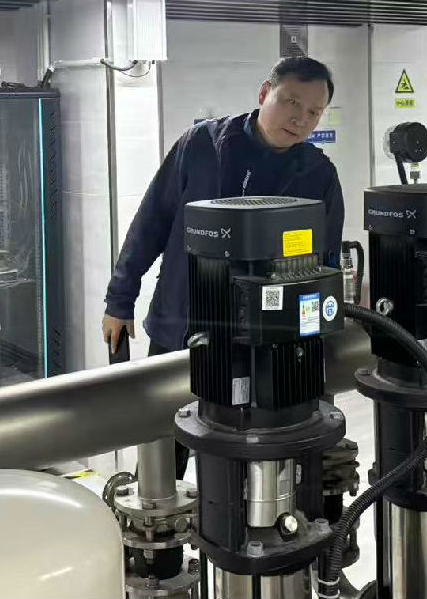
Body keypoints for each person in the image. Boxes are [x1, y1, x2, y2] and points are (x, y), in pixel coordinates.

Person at [102, 56, 344, 476]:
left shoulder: (318, 174)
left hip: (265, 341)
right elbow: (151, 222)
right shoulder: (203, 145)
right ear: (265, 93)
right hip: (183, 327)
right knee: (163, 463)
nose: (300, 119)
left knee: (248, 461)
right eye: (291, 102)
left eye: (313, 112)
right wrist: (120, 300)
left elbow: (325, 264)